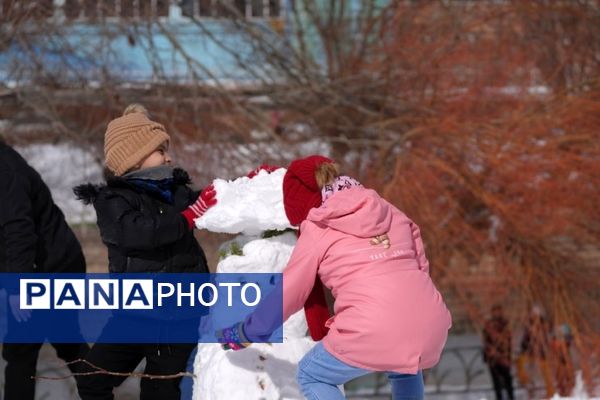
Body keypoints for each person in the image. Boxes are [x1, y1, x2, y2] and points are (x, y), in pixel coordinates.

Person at [217, 155, 452, 400]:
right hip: (430, 322)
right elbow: (420, 269)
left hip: (371, 328)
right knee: (405, 366)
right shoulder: (392, 212)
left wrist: (247, 331)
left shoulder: (320, 226)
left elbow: (290, 292)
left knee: (312, 374)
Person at [73, 104, 215, 400]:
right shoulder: (112, 201)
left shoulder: (175, 192)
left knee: (160, 390)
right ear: (136, 157)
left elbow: (212, 205)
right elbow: (139, 232)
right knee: (92, 379)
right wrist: (187, 219)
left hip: (180, 315)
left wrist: (239, 189)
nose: (169, 157)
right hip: (134, 315)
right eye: (160, 150)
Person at [0, 138, 90, 400]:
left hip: (53, 268)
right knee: (66, 343)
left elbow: (19, 231)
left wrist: (18, 288)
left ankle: (98, 389)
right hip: (44, 266)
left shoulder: (6, 170)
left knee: (21, 351)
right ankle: (99, 389)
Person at [516, 305, 554, 398]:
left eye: (535, 315)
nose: (533, 316)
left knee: (547, 374)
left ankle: (551, 394)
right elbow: (524, 341)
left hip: (541, 354)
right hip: (530, 353)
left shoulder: (544, 326)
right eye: (533, 315)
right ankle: (528, 383)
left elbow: (546, 339)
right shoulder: (528, 326)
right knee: (520, 363)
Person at [482, 304, 515, 400]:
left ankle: (511, 397)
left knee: (508, 380)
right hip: (493, 358)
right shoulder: (488, 325)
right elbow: (486, 341)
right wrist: (490, 351)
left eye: (498, 311)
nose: (496, 313)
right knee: (496, 382)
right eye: (495, 311)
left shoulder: (505, 324)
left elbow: (508, 340)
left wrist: (505, 353)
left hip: (504, 357)